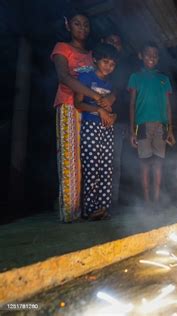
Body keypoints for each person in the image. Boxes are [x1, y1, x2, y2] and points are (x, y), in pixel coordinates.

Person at [51, 11, 114, 222]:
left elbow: (105, 76)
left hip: (90, 112)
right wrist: (95, 96)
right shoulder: (62, 48)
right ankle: (70, 213)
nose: (82, 28)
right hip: (69, 106)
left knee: (89, 162)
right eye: (77, 24)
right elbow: (63, 76)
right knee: (70, 160)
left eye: (86, 25)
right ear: (67, 24)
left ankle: (90, 208)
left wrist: (105, 101)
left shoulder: (91, 55)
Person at [74, 43, 119, 220]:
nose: (108, 66)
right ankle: (89, 209)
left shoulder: (109, 84)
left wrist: (113, 115)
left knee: (107, 168)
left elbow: (110, 108)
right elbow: (78, 104)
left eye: (112, 64)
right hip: (90, 126)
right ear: (95, 60)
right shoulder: (86, 77)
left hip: (107, 129)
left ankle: (103, 208)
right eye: (105, 61)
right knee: (92, 167)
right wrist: (98, 110)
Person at [128, 42, 176, 205]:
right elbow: (132, 104)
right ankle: (147, 200)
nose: (152, 57)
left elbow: (169, 106)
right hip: (142, 125)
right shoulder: (135, 77)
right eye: (148, 54)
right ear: (141, 56)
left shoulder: (164, 79)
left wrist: (170, 130)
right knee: (144, 163)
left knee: (158, 163)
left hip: (161, 127)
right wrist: (132, 131)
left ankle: (156, 200)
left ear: (158, 58)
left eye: (155, 55)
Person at [101, 32, 134, 207]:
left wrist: (129, 124)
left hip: (118, 122)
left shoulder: (123, 67)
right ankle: (90, 201)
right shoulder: (95, 65)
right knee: (94, 161)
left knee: (114, 163)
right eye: (111, 41)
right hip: (94, 119)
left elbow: (125, 95)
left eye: (118, 43)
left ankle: (109, 203)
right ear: (103, 42)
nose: (114, 44)